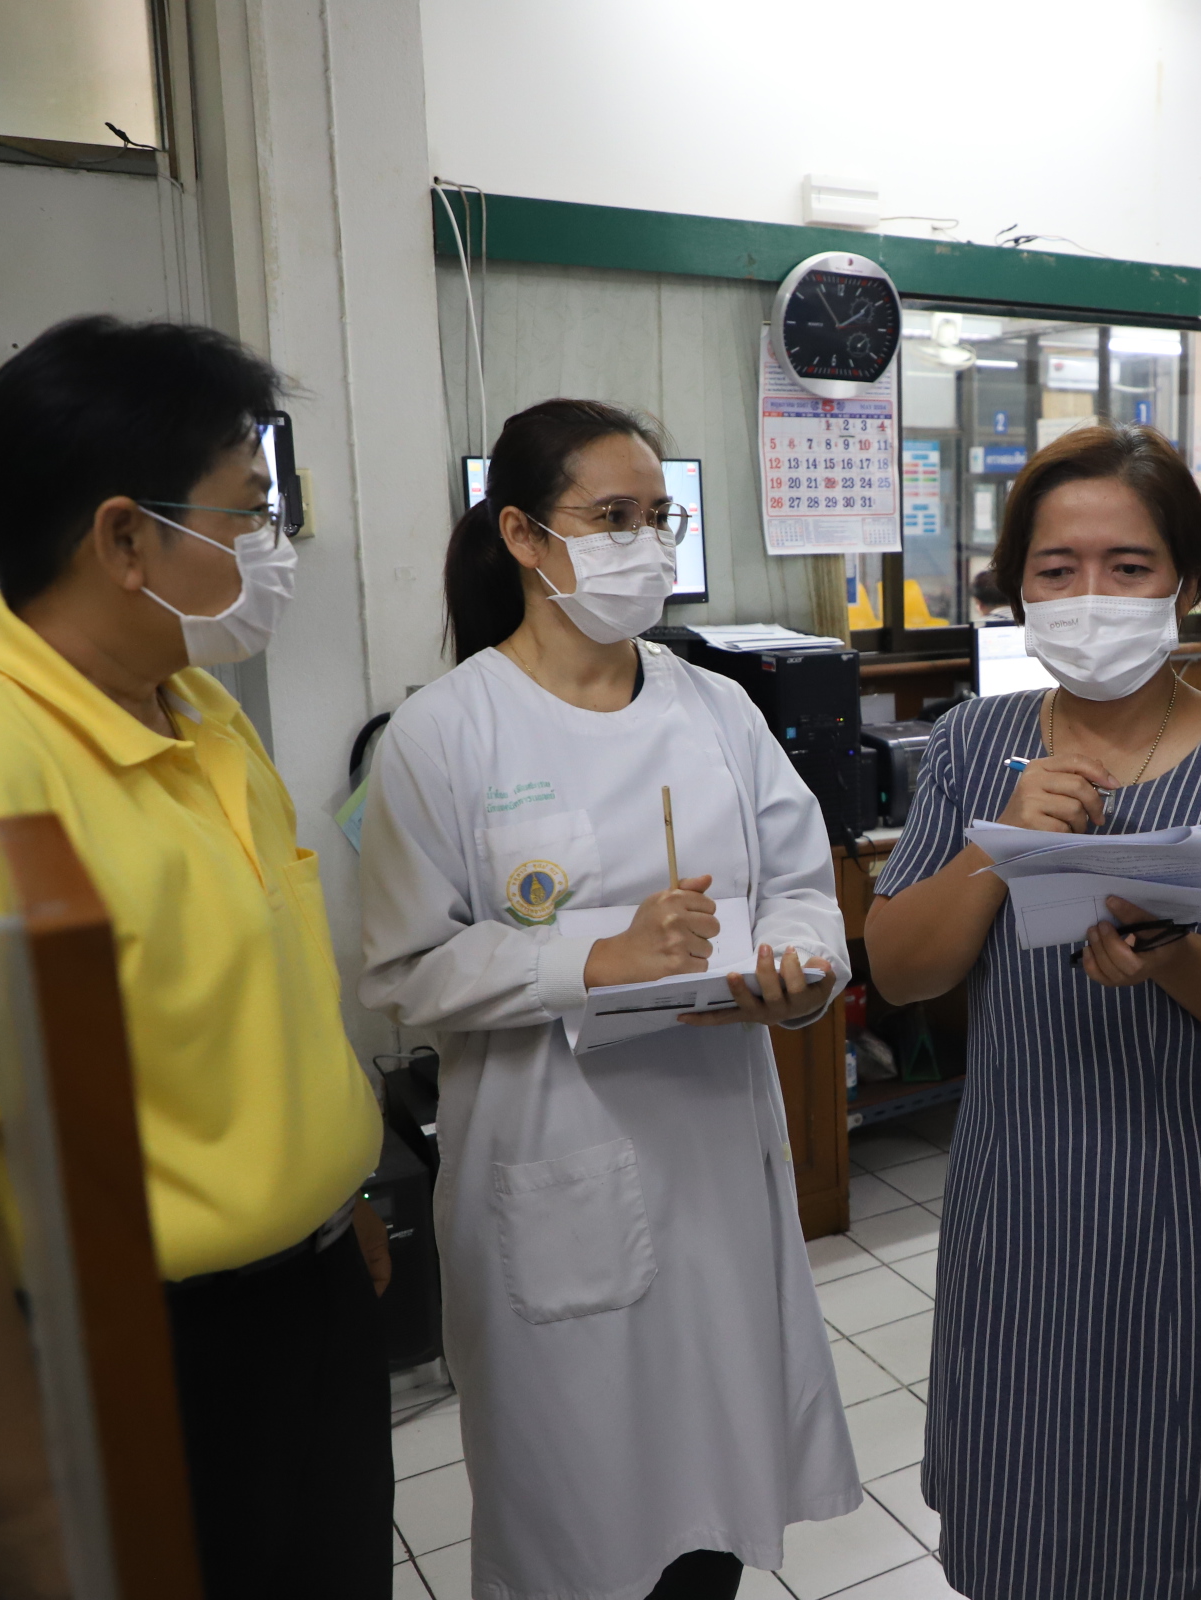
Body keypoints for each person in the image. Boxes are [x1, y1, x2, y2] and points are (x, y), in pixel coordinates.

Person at [0, 316, 391, 1599]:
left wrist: (335, 1198)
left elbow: (250, 1011)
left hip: (306, 1303)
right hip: (138, 1359)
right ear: (126, 539)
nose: (270, 542)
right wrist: (28, 1499)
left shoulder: (197, 711)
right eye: (248, 510)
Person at [355, 399, 860, 1600]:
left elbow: (802, 887)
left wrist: (796, 975)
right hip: (552, 1166)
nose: (647, 544)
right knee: (576, 1517)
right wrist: (591, 957)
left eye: (659, 516)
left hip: (717, 1158)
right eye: (614, 517)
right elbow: (403, 971)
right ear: (523, 536)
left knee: (709, 1510)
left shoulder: (715, 707)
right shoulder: (443, 731)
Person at [862, 424, 1201, 1600]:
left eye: (1129, 567)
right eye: (1058, 568)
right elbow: (901, 968)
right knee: (1026, 1508)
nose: (1092, 595)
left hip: (1195, 1204)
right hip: (1022, 1199)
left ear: (1187, 581)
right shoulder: (974, 744)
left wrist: (1176, 960)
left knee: (1185, 1512)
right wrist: (1000, 848)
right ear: (1017, 585)